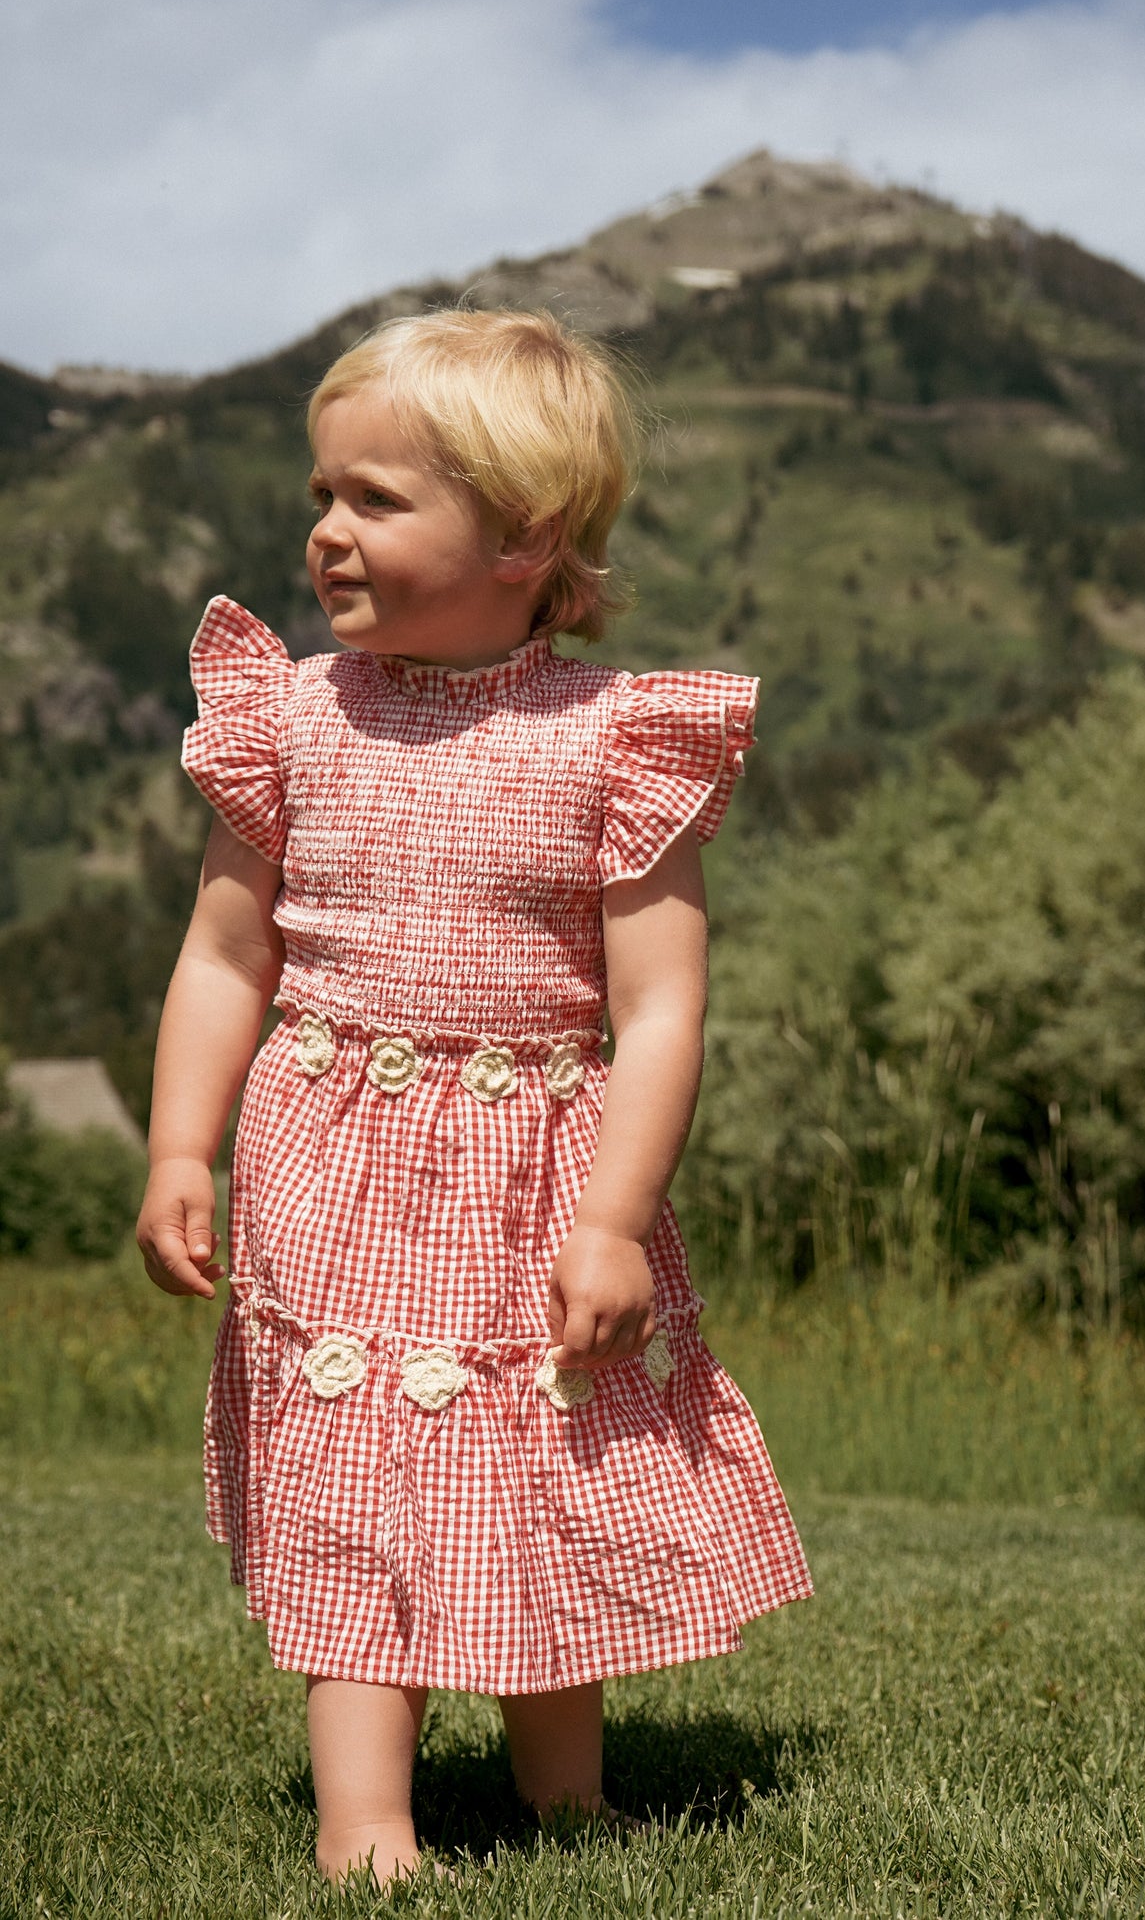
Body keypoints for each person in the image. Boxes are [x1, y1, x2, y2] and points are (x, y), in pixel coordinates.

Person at [135, 308, 812, 1886]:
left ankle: (561, 1799)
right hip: (330, 1147)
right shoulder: (290, 716)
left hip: (537, 1167)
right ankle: (365, 1822)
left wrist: (615, 1218)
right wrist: (181, 1142)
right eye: (321, 492)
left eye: (376, 499)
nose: (325, 530)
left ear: (526, 534)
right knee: (358, 1456)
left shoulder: (612, 740)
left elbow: (658, 1009)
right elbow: (225, 956)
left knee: (539, 1447)